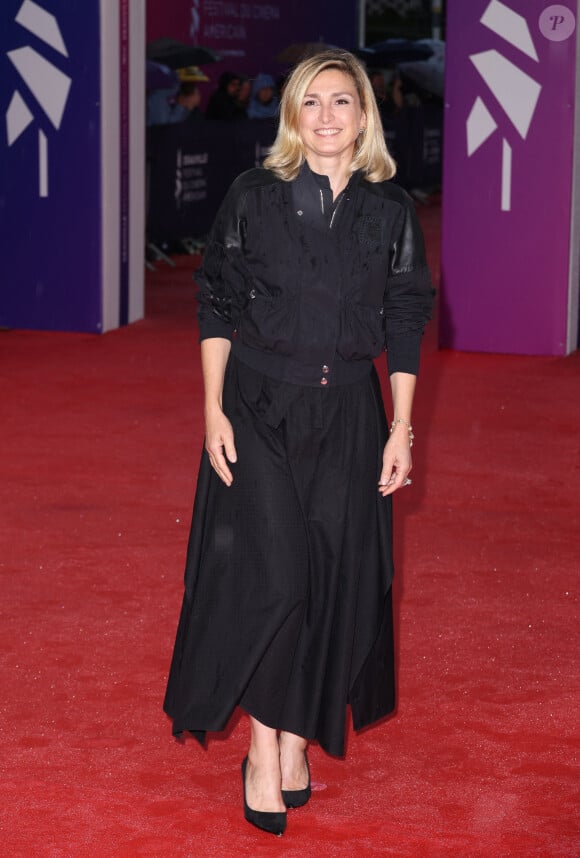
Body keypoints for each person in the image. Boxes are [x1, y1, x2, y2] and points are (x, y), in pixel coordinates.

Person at [163, 49, 433, 836]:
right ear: (291, 116)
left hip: (350, 413)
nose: (325, 117)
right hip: (258, 408)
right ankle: (262, 748)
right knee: (275, 578)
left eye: (341, 102)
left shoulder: (389, 210)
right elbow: (215, 301)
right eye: (309, 103)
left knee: (328, 582)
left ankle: (292, 740)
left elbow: (407, 317)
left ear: (363, 116)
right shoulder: (254, 195)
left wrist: (402, 429)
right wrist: (212, 410)